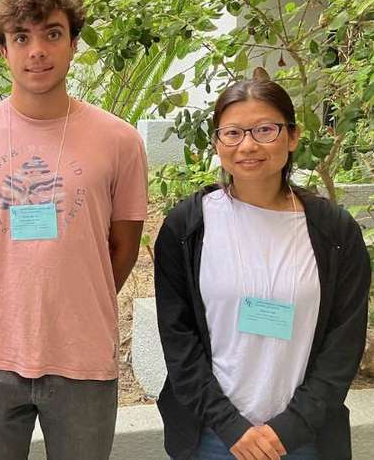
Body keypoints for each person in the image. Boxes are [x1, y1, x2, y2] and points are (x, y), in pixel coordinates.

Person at [0, 0, 148, 459]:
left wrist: (75, 298)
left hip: (83, 356)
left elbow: (123, 248)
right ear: (4, 51)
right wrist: (2, 296)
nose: (37, 50)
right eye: (21, 37)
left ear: (74, 43)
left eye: (52, 34)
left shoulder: (119, 140)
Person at [154, 67, 371, 460]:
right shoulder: (187, 228)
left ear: (291, 137)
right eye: (232, 133)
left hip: (302, 437)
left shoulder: (334, 233)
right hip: (213, 436)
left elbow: (344, 342)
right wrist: (232, 427)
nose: (248, 145)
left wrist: (289, 429)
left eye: (265, 130)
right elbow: (179, 340)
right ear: (217, 143)